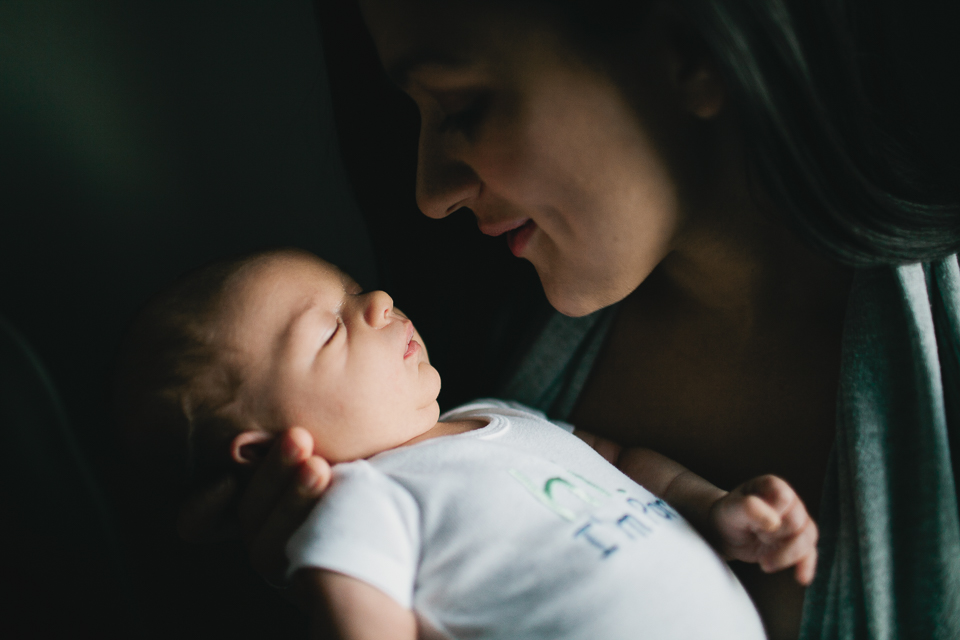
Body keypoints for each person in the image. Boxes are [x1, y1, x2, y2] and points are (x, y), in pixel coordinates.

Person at [178, 1, 960, 639]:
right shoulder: (459, 374)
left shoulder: (934, 354)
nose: (429, 192)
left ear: (688, 49)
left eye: (461, 105)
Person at [117, 248, 820, 639]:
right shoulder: (361, 500)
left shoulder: (499, 412)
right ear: (266, 449)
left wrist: (715, 508)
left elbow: (625, 464)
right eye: (330, 328)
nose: (378, 303)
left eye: (356, 289)